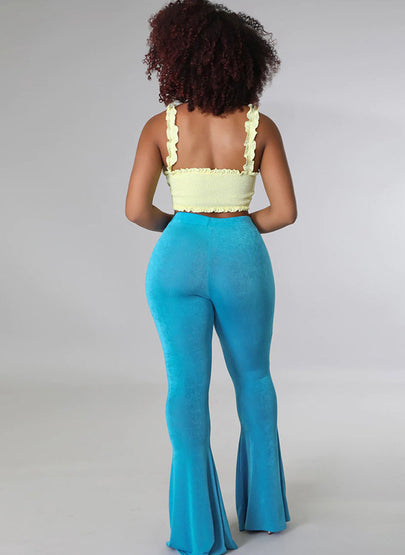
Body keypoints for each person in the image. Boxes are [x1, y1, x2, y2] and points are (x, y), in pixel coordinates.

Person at [125, 1, 297, 553]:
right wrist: (234, 229)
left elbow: (136, 210)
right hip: (241, 258)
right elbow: (284, 212)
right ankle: (264, 511)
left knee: (185, 387)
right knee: (255, 378)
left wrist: (183, 229)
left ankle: (198, 530)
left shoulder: (160, 127)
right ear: (245, 61)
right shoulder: (259, 126)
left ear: (174, 59)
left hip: (175, 260)